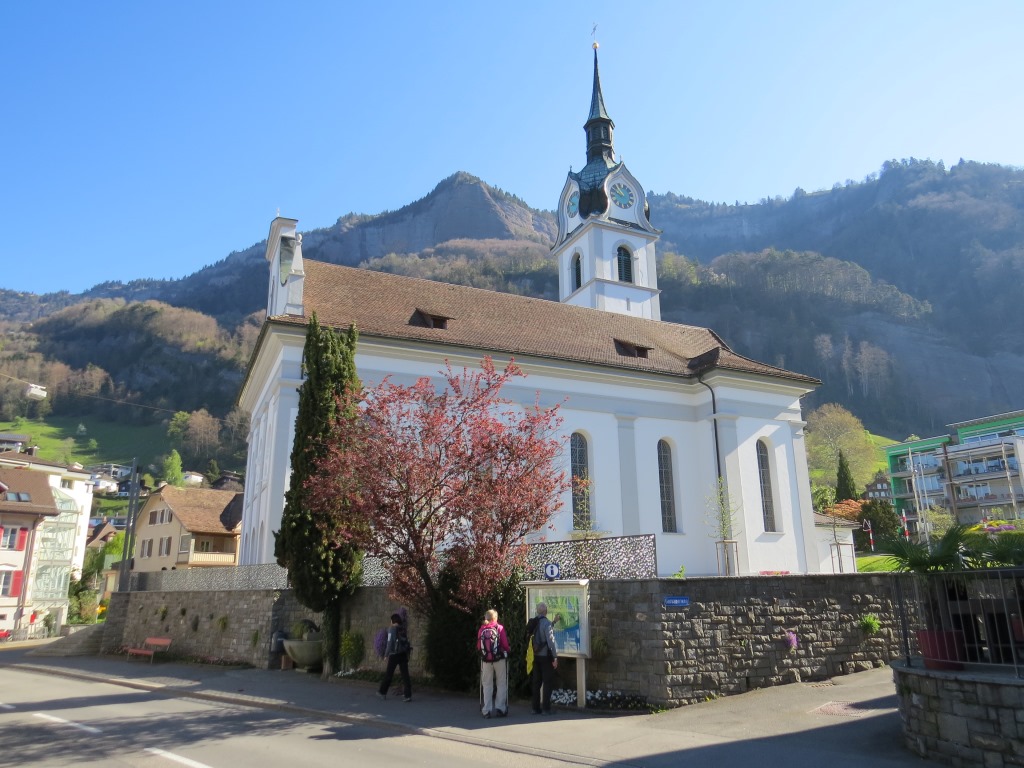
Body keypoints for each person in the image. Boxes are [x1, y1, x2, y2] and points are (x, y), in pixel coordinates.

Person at [477, 608, 511, 718]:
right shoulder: (499, 628)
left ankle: (486, 710)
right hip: (499, 659)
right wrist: (507, 650)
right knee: (501, 683)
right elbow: (505, 644)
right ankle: (500, 708)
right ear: (495, 618)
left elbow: (478, 646)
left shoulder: (482, 629)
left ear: (486, 618)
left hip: (486, 660)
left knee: (487, 684)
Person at [530, 602, 558, 715]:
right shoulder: (546, 623)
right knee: (547, 682)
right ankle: (546, 708)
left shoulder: (534, 622)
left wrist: (554, 622)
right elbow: (551, 641)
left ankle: (535, 708)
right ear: (545, 611)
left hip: (535, 656)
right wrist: (555, 657)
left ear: (538, 611)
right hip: (545, 657)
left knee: (536, 683)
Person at [377, 612, 412, 702]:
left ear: (393, 620)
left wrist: (386, 655)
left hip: (394, 654)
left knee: (389, 674)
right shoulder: (403, 628)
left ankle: (382, 692)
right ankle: (408, 695)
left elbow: (390, 643)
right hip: (403, 654)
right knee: (405, 675)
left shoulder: (392, 629)